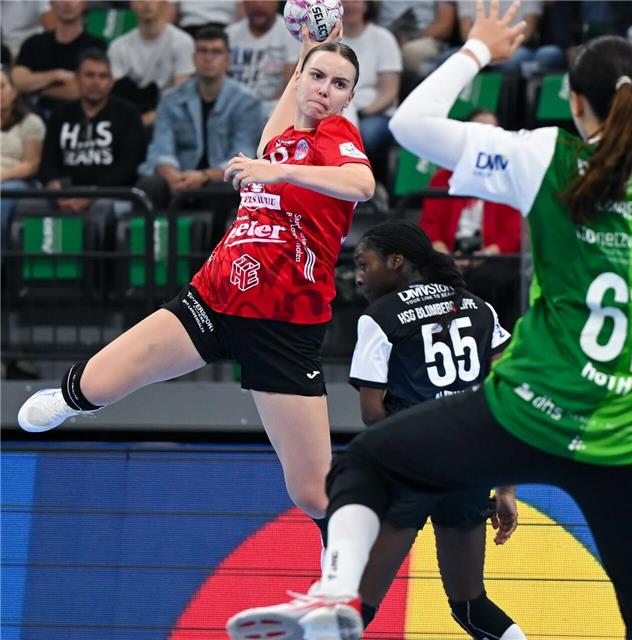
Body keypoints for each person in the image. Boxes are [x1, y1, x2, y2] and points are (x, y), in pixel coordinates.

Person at [229, 2, 632, 638]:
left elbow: (408, 126)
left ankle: (338, 592)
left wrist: (480, 47)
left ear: (573, 102)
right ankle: (337, 600)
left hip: (531, 412)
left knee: (371, 461)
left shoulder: (546, 156)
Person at [17, 24, 375, 638]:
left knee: (314, 492)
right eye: (316, 77)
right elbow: (295, 89)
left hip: (283, 329)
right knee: (96, 384)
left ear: (349, 99)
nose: (323, 89)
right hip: (214, 298)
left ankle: (334, 586)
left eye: (339, 83)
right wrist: (315, 44)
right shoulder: (281, 135)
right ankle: (72, 399)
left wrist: (280, 173)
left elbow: (362, 186)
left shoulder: (337, 140)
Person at [346, 220, 524, 638]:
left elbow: (372, 414)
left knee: (355, 609)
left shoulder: (380, 317)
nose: (357, 276)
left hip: (412, 467)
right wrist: (507, 488)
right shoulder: (480, 308)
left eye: (363, 263)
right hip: (468, 468)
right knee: (470, 607)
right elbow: (509, 401)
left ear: (396, 261)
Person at [136, 26, 262, 212]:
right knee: (149, 186)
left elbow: (242, 156)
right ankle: (153, 241)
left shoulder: (246, 101)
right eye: (202, 51)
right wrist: (172, 176)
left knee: (221, 190)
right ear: (194, 59)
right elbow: (161, 148)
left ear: (227, 60)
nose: (208, 58)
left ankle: (219, 242)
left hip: (218, 178)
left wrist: (204, 177)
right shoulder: (171, 99)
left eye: (216, 52)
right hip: (178, 177)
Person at [421, 108, 523, 328]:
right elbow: (430, 226)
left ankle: (491, 346)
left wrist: (480, 256)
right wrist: (447, 260)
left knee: (490, 280)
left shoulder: (509, 177)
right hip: (447, 255)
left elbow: (513, 233)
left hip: (491, 258)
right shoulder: (442, 178)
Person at [37, 48, 145, 217]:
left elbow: (128, 167)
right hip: (65, 192)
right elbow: (47, 163)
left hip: (111, 192)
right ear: (77, 78)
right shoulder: (60, 115)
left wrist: (94, 194)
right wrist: (54, 187)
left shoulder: (128, 114)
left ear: (111, 82)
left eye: (103, 76)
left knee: (102, 210)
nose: (96, 82)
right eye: (89, 75)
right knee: (27, 205)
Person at [11, 0, 107, 116]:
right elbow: (18, 81)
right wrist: (56, 75)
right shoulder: (33, 43)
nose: (67, 3)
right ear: (51, 3)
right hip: (34, 115)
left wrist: (39, 90)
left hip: (78, 116)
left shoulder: (96, 46)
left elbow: (83, 89)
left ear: (84, 3)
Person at [107, 0, 196, 126]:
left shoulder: (183, 42)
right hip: (129, 116)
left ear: (164, 4)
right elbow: (116, 96)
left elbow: (181, 95)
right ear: (132, 5)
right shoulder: (117, 47)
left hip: (170, 117)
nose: (147, 3)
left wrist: (147, 120)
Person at [340, 0, 402, 157]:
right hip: (335, 108)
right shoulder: (329, 39)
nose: (349, 6)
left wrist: (362, 114)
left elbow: (389, 93)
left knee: (366, 134)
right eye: (344, 2)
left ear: (366, 5)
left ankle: (365, 178)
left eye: (355, 1)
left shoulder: (384, 39)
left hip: (375, 113)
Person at [227, 0, 302, 121]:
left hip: (272, 108)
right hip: (233, 107)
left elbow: (291, 84)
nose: (259, 4)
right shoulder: (230, 34)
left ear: (277, 3)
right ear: (244, 3)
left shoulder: (291, 32)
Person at [0, 65, 45, 250]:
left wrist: (1, 177)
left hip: (17, 181)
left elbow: (31, 164)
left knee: (4, 194)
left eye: (2, 86)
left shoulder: (30, 122)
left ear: (13, 91)